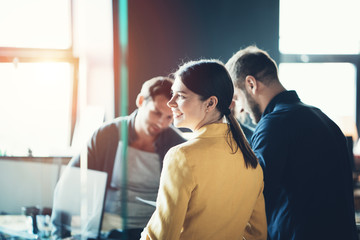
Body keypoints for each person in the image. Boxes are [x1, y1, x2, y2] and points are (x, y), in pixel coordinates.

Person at [226, 46, 358, 240]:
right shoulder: (323, 118)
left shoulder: (273, 124)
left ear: (251, 84)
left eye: (237, 98)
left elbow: (254, 198)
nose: (242, 109)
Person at [140, 60, 267, 240]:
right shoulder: (251, 160)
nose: (171, 103)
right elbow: (258, 235)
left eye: (181, 96)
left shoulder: (182, 156)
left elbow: (162, 236)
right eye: (172, 94)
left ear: (210, 103)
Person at [51, 76, 186, 240]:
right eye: (156, 112)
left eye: (169, 117)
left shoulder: (178, 146)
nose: (161, 122)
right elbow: (69, 185)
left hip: (152, 232)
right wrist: (60, 235)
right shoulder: (106, 135)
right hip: (107, 231)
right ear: (141, 101)